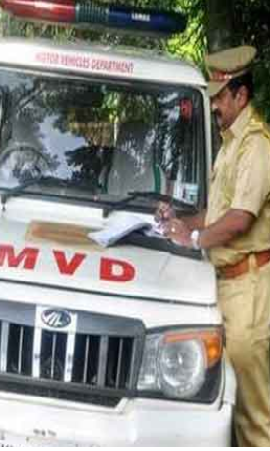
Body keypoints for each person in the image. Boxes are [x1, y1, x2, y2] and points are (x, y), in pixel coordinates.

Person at [161, 45, 270, 446]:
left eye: (220, 97)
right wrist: (178, 223)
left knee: (255, 411)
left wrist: (192, 239)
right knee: (230, 401)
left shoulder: (257, 145)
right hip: (228, 285)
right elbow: (215, 213)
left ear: (241, 95)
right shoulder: (231, 144)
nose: (214, 106)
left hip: (250, 287)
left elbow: (240, 218)